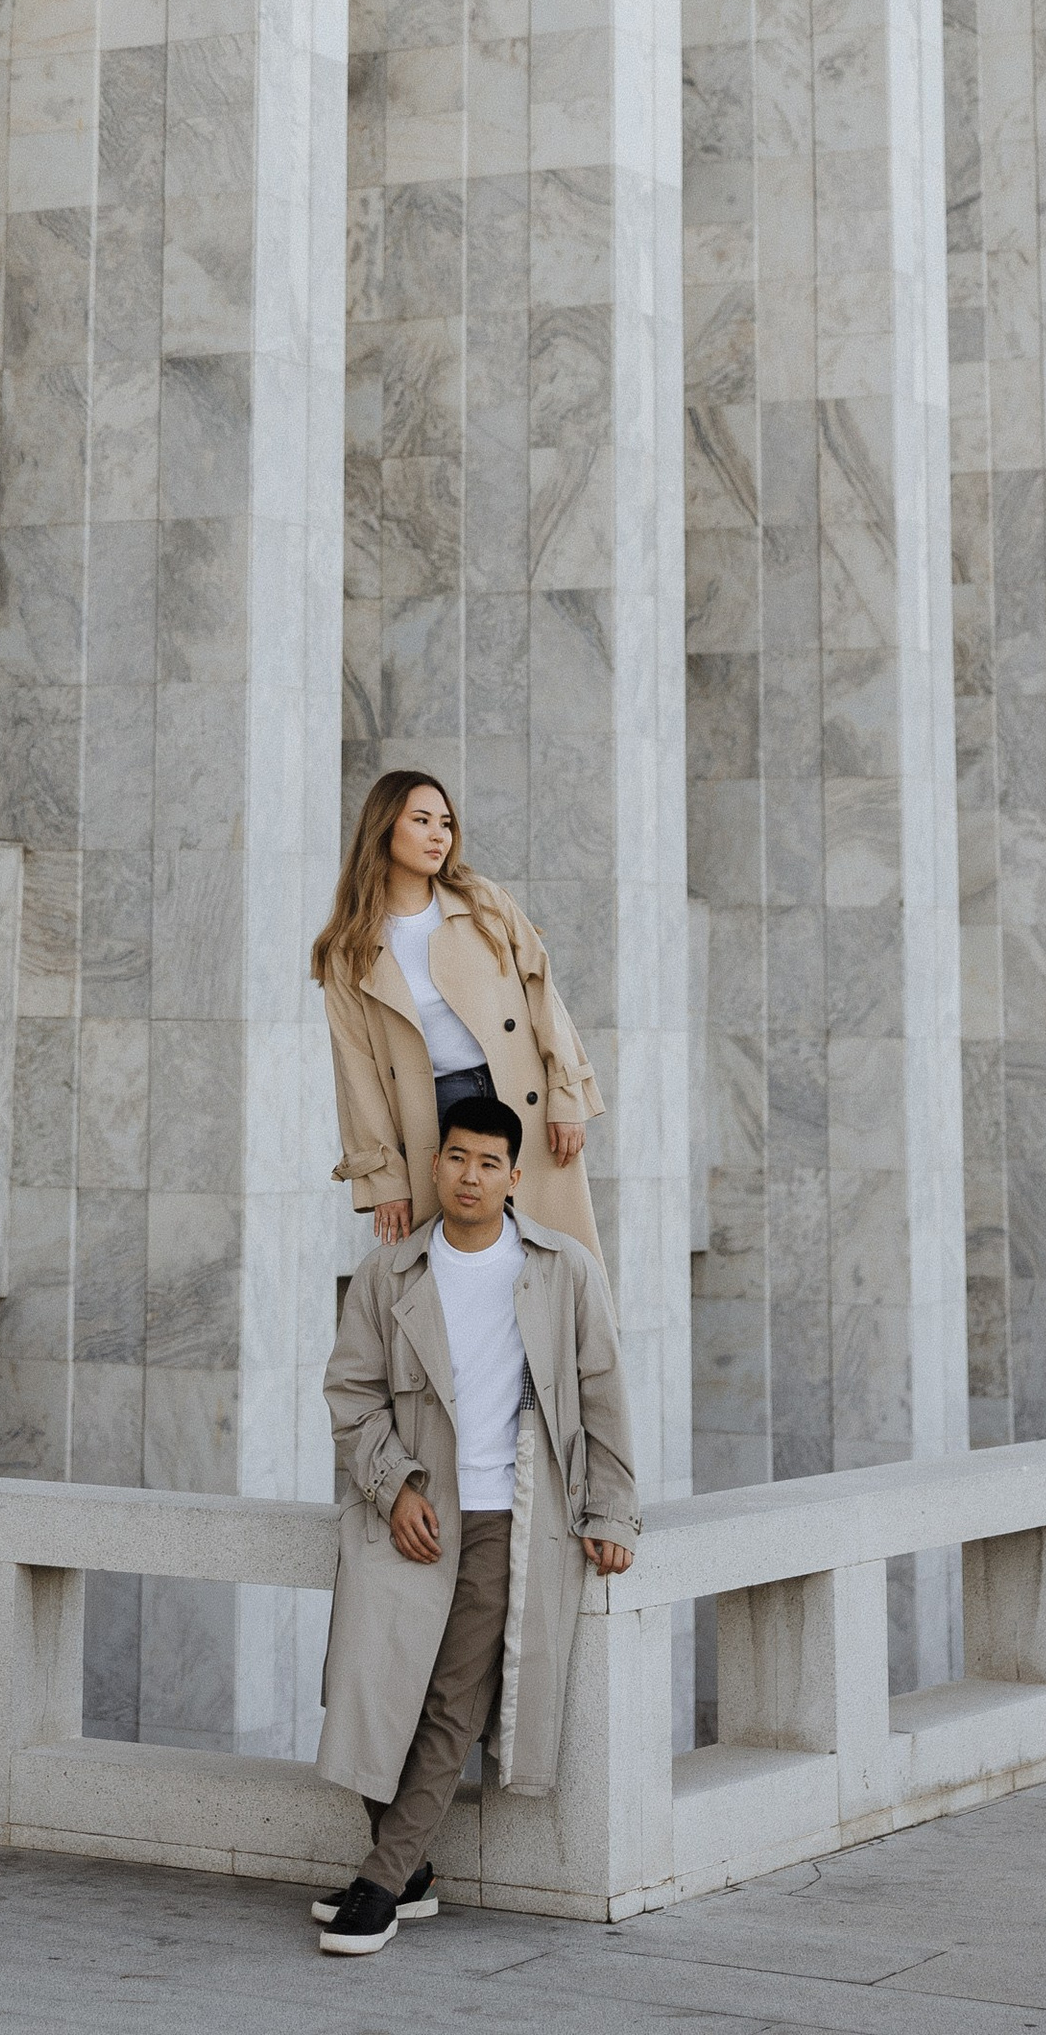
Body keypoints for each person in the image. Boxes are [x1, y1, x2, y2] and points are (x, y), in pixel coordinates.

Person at [310, 1098, 638, 1956]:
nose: (469, 1176)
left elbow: (603, 1394)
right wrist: (395, 1487)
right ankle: (408, 1871)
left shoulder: (564, 1269)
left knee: (454, 1704)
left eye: (489, 1164)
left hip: (513, 1516)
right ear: (437, 1165)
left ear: (514, 1178)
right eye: (457, 1158)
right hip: (415, 1512)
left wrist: (610, 1512)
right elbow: (352, 1397)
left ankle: (381, 1885)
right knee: (368, 1686)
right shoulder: (390, 1273)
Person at [311, 769, 604, 1260]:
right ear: (384, 830)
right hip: (432, 1115)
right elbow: (357, 1071)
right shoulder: (350, 948)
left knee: (554, 1260)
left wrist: (566, 1095)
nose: (438, 835)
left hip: (519, 1095)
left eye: (444, 823)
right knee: (455, 1270)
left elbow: (543, 996)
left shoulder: (483, 902)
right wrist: (385, 1179)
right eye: (421, 820)